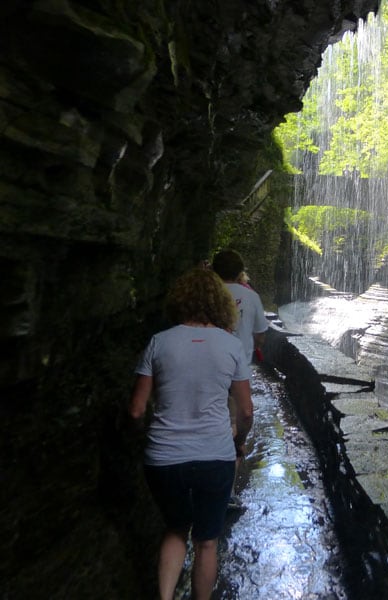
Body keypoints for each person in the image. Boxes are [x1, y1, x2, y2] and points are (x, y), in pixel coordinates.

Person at [129, 268, 253, 600]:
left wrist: (149, 438)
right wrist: (239, 442)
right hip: (215, 456)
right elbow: (245, 411)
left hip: (164, 458)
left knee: (174, 529)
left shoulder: (159, 341)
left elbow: (137, 410)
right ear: (219, 303)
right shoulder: (230, 345)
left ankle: (165, 597)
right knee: (207, 541)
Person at [211, 249, 268, 505]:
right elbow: (260, 333)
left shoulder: (207, 294)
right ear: (239, 272)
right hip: (238, 371)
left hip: (205, 367)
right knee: (233, 426)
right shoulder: (251, 297)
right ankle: (226, 492)